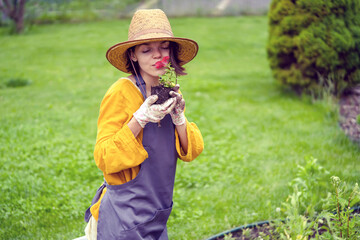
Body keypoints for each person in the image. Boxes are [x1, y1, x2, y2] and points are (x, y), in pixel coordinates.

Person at [83, 9, 204, 240]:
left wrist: (179, 118)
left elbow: (190, 152)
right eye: (147, 49)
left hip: (156, 213)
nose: (158, 55)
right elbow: (104, 157)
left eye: (164, 46)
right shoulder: (121, 92)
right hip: (123, 217)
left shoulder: (168, 90)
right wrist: (139, 119)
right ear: (133, 56)